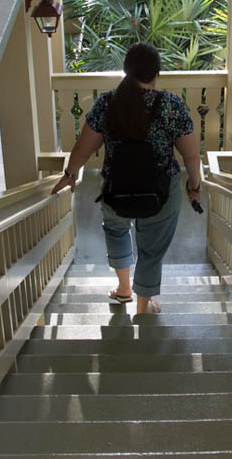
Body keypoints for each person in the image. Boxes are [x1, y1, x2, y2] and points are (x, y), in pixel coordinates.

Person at [51, 42, 202, 315]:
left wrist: (69, 176)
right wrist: (194, 184)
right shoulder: (171, 105)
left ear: (126, 70)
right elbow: (191, 155)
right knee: (152, 246)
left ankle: (123, 290)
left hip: (115, 188)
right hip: (161, 191)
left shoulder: (107, 103)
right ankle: (143, 306)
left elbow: (82, 148)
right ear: (157, 73)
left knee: (117, 230)